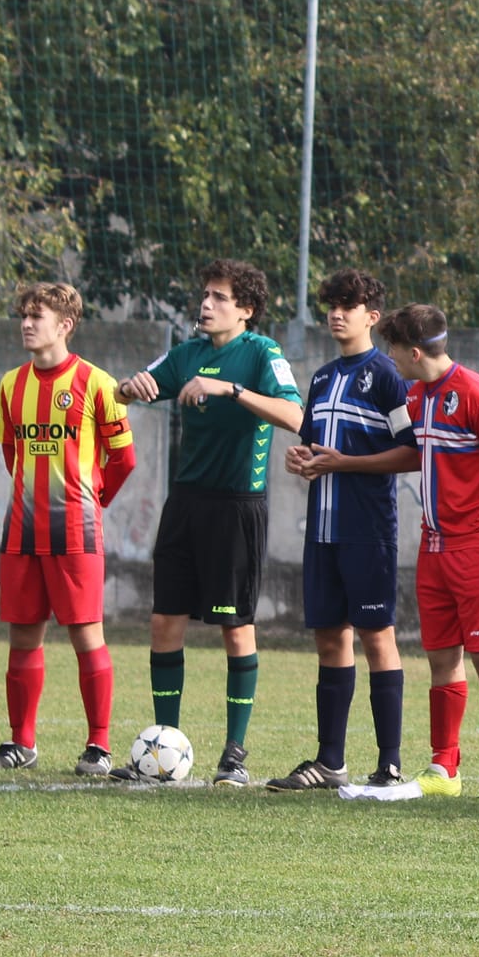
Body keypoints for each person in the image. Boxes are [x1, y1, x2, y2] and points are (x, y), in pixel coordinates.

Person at [112, 259, 304, 784]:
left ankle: (233, 755)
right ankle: (160, 751)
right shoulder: (187, 353)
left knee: (234, 627)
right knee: (163, 622)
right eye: (205, 294)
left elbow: (295, 416)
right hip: (185, 504)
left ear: (246, 310)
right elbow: (127, 391)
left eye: (219, 297)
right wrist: (132, 389)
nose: (206, 304)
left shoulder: (262, 354)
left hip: (237, 506)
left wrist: (229, 390)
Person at [268, 271, 418, 795]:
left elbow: (412, 451)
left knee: (377, 637)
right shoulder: (324, 377)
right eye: (331, 304)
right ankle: (330, 761)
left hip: (367, 530)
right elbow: (316, 446)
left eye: (348, 305)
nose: (336, 313)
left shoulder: (388, 375)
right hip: (323, 530)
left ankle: (390, 764)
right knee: (330, 637)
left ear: (372, 316)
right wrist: (302, 458)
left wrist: (345, 462)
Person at [0, 283, 135, 776]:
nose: (26, 324)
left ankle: (99, 746)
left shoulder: (98, 384)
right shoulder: (10, 385)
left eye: (36, 316)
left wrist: (94, 500)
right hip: (21, 531)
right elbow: (12, 454)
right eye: (22, 315)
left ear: (64, 325)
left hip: (77, 532)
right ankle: (21, 743)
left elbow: (124, 459)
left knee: (86, 636)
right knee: (23, 637)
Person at [380, 304, 479, 801]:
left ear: (415, 352)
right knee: (441, 657)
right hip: (434, 545)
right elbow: (411, 452)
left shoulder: (475, 394)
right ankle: (444, 768)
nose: (390, 357)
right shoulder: (415, 394)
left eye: (394, 349)